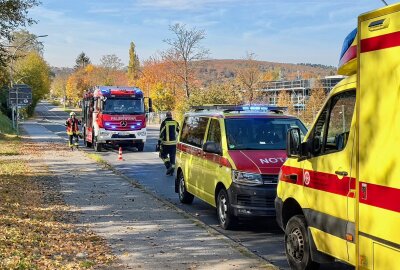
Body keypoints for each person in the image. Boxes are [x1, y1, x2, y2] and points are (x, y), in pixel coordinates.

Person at [157, 111, 179, 176]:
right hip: (173, 144)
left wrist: (159, 143)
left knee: (162, 155)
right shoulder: (175, 123)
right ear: (171, 116)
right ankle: (171, 169)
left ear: (166, 116)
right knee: (172, 157)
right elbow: (179, 131)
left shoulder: (164, 123)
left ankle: (168, 166)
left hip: (165, 144)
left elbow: (161, 133)